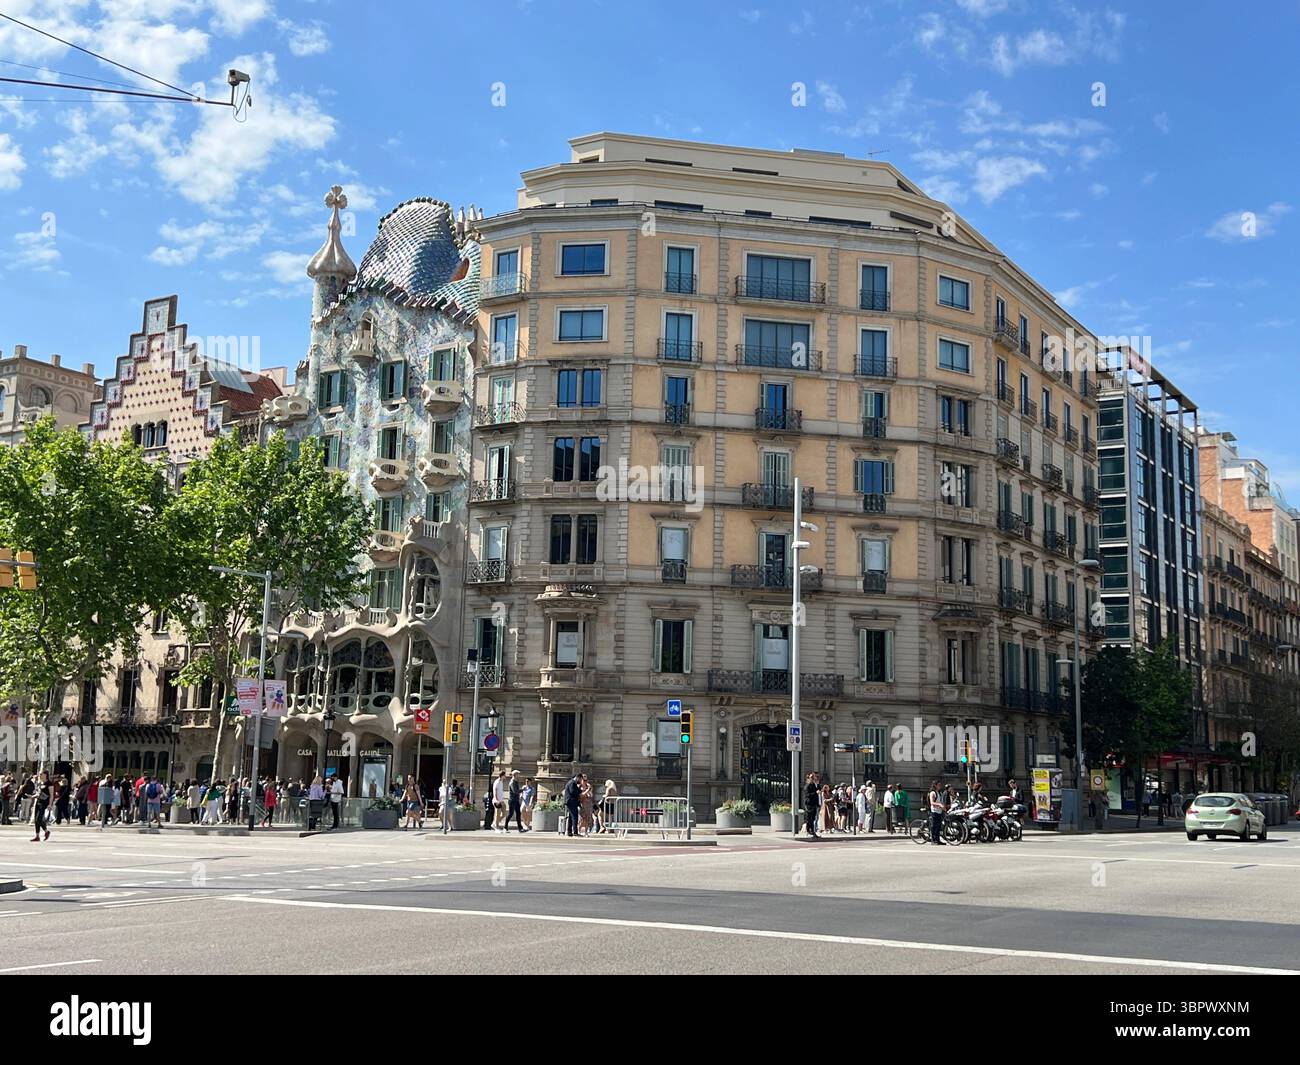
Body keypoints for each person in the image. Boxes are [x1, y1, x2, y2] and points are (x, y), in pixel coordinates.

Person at [30, 771, 53, 842]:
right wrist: (32, 796)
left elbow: (51, 795)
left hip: (44, 803)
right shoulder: (40, 783)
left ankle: (46, 831)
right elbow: (39, 793)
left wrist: (50, 804)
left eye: (41, 774)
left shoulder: (49, 783)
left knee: (38, 819)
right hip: (38, 802)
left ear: (45, 775)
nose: (39, 775)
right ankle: (37, 836)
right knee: (36, 820)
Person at [927, 779, 947, 846]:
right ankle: (933, 840)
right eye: (939, 785)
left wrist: (943, 806)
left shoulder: (940, 793)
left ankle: (938, 840)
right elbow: (932, 802)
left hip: (939, 811)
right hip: (934, 811)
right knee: (934, 826)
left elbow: (941, 801)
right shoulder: (933, 793)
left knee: (939, 826)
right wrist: (939, 805)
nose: (940, 786)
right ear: (935, 785)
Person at [562, 772, 582, 837]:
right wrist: (579, 791)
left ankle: (569, 832)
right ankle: (575, 832)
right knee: (574, 817)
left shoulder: (572, 783)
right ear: (577, 777)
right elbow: (572, 791)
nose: (580, 781)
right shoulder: (572, 783)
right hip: (571, 802)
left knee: (571, 817)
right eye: (580, 779)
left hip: (571, 802)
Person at [803, 773, 820, 839]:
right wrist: (815, 793)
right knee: (809, 818)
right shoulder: (807, 786)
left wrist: (817, 784)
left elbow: (818, 790)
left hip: (814, 804)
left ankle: (812, 831)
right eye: (812, 778)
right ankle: (808, 831)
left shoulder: (814, 785)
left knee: (813, 818)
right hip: (809, 804)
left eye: (814, 778)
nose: (813, 779)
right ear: (809, 779)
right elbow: (807, 795)